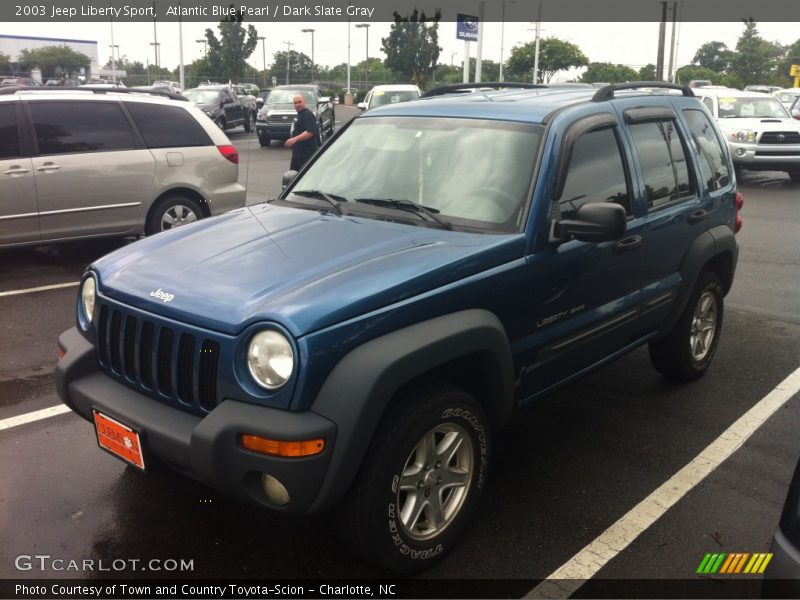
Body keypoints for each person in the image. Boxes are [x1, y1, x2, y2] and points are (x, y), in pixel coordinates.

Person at [284, 94, 321, 170]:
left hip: (306, 156)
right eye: (295, 103)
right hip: (297, 155)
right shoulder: (300, 115)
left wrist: (294, 139)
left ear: (305, 102)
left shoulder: (307, 115)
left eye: (300, 102)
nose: (297, 104)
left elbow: (310, 132)